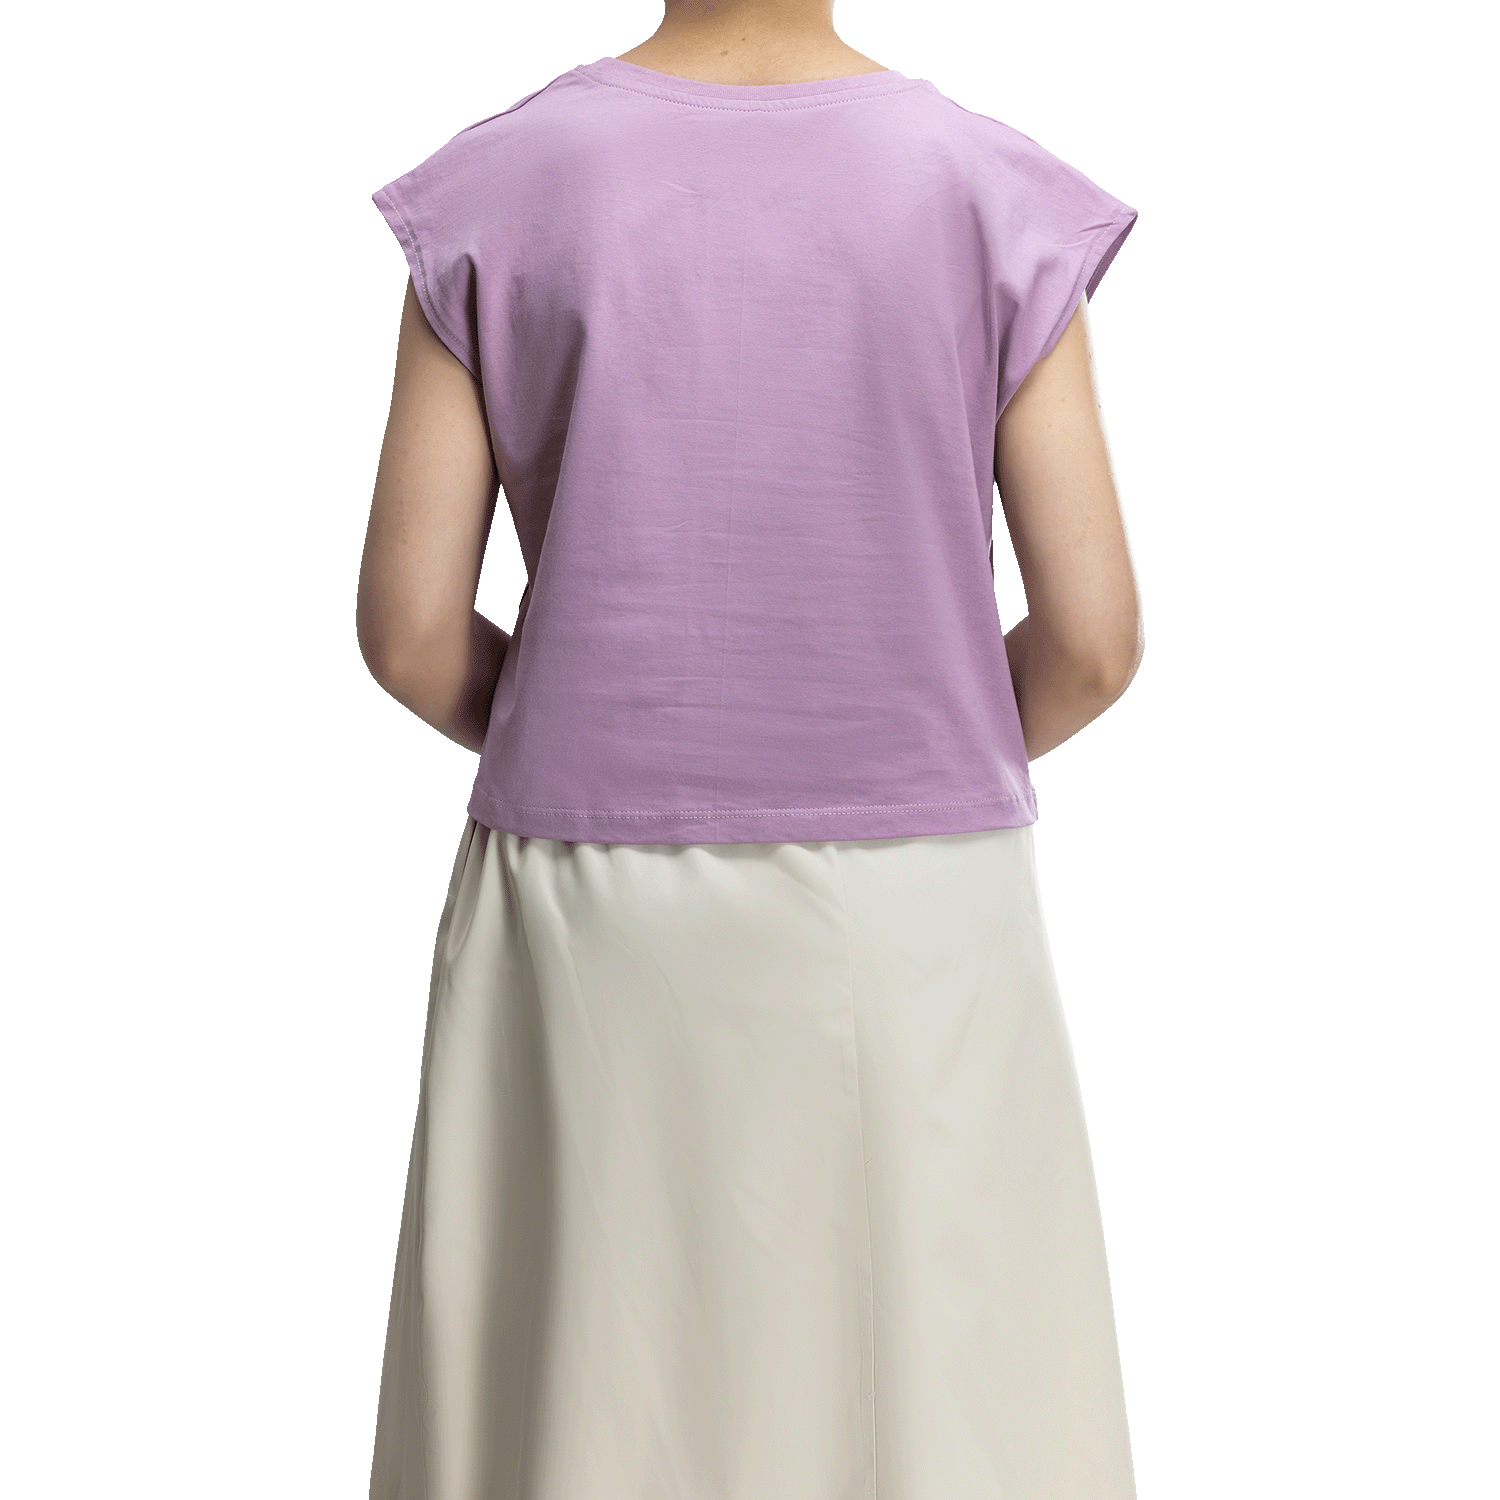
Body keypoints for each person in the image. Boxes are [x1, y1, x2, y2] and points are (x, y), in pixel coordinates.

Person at [358, 4, 1143, 1496]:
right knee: (939, 1399)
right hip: (923, 914)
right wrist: (917, 730)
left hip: (585, 906)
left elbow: (407, 631)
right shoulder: (982, 189)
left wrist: (594, 713)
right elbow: (1095, 641)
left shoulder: (505, 185)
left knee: (586, 1384)